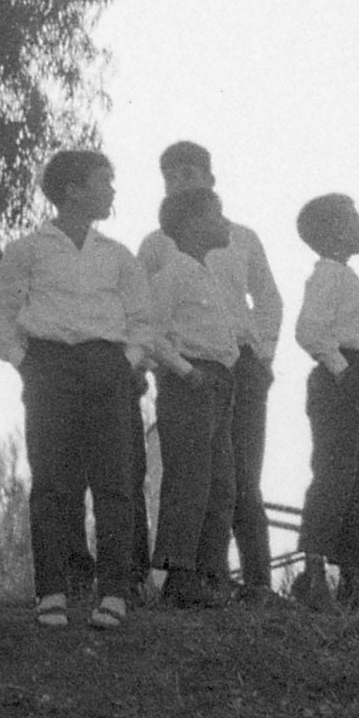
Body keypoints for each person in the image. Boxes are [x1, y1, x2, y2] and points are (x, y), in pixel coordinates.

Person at [0, 147, 150, 624]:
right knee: (54, 481)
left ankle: (115, 592)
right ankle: (53, 591)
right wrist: (25, 363)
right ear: (73, 190)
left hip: (108, 368)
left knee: (115, 481)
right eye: (104, 180)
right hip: (50, 367)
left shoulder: (117, 256)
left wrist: (127, 362)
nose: (112, 191)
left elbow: (142, 319)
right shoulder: (27, 250)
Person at [159, 141, 287, 599]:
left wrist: (266, 354)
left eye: (190, 173)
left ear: (211, 179)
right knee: (195, 472)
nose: (181, 183)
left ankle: (256, 581)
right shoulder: (160, 244)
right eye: (171, 177)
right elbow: (146, 308)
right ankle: (192, 573)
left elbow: (269, 298)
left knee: (241, 474)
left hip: (242, 363)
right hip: (191, 365)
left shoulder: (242, 236)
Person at [138, 176, 255, 612]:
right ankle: (179, 571)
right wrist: (186, 372)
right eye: (216, 214)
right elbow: (149, 332)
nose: (225, 223)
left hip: (220, 382)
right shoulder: (172, 274)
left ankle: (211, 571)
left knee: (221, 482)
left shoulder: (205, 274)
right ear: (190, 224)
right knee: (189, 479)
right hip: (192, 384)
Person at [290, 191, 359, 612]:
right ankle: (314, 570)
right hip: (343, 379)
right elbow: (309, 330)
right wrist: (342, 370)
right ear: (334, 232)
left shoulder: (351, 279)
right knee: (335, 474)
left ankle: (351, 576)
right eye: (354, 217)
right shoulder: (328, 275)